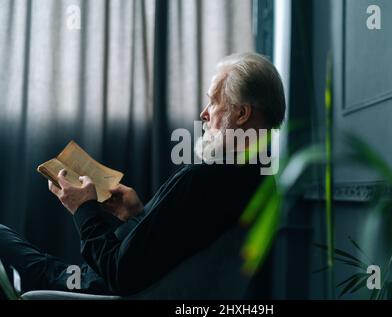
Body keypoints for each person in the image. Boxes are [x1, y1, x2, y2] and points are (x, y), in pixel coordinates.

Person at [0, 52, 286, 297]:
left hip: (85, 288)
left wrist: (83, 209)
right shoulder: (257, 180)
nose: (203, 114)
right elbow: (167, 250)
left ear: (242, 113)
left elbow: (119, 273)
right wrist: (137, 213)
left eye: (213, 102)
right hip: (89, 279)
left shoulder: (204, 180)